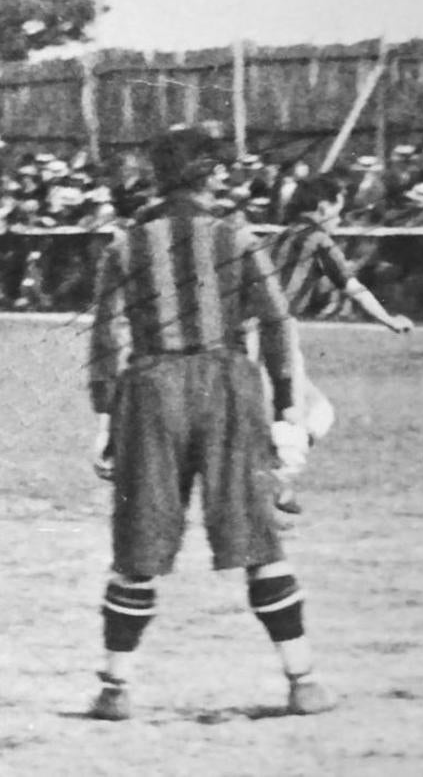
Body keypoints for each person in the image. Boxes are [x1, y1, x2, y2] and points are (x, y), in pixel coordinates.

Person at [84, 127, 334, 722]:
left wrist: (104, 414)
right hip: (226, 384)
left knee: (139, 539)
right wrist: (285, 406)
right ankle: (303, 681)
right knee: (254, 532)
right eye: (220, 169)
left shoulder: (125, 245)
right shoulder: (237, 236)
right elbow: (277, 320)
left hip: (150, 388)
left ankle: (116, 688)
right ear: (205, 173)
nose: (228, 178)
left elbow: (105, 335)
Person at [259, 176, 413, 513]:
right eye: (339, 210)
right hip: (278, 331)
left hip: (248, 331)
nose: (340, 218)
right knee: (304, 413)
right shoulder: (318, 240)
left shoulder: (272, 237)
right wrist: (388, 319)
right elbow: (351, 286)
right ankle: (274, 483)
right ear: (323, 206)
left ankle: (272, 476)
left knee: (293, 413)